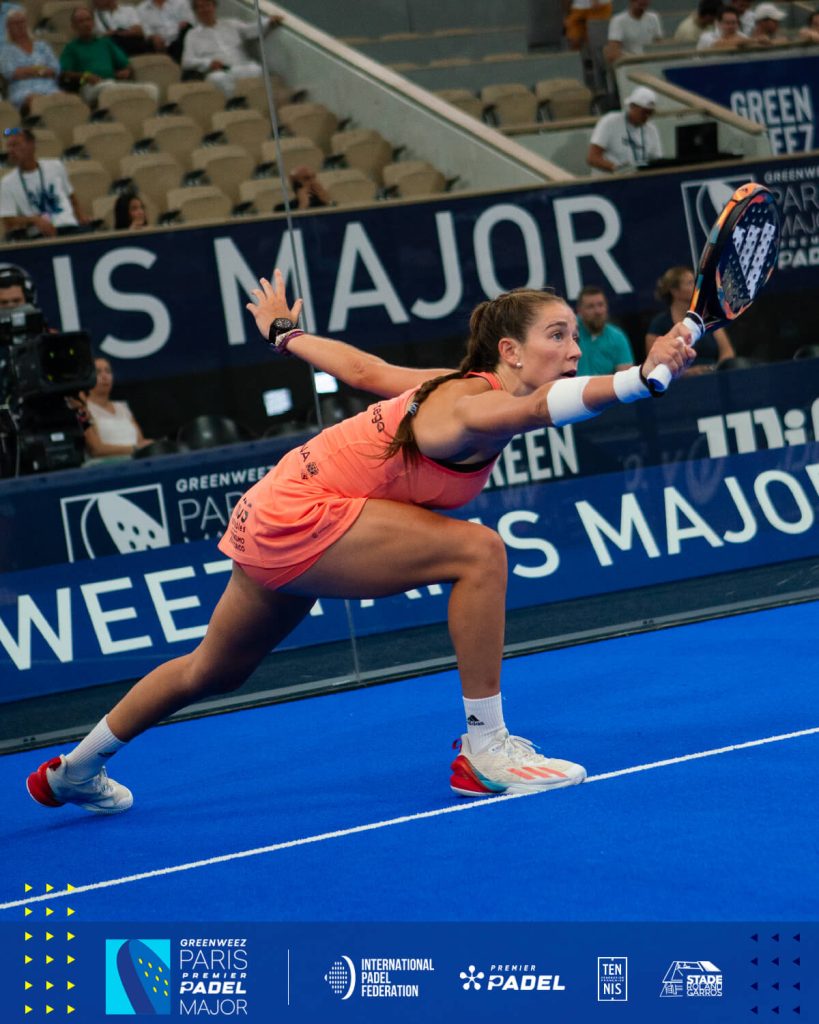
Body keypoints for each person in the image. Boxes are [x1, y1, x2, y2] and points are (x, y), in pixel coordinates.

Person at [25, 269, 695, 814]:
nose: (573, 349)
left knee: (213, 670)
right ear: (510, 352)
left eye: (574, 336)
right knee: (479, 552)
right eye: (557, 335)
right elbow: (533, 409)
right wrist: (636, 380)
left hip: (274, 506)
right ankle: (484, 749)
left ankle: (71, 772)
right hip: (305, 513)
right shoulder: (472, 405)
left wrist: (287, 335)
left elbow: (366, 369)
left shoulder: (450, 385)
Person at [181, 0, 282, 98]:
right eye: (200, 7)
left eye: (207, 5)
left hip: (242, 66)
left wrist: (268, 22)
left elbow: (251, 30)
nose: (205, 10)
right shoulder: (192, 35)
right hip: (220, 72)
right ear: (195, 11)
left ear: (214, 6)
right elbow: (186, 61)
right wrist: (208, 63)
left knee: (256, 69)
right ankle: (237, 103)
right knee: (217, 79)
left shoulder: (231, 24)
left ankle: (258, 99)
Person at [59, 6, 159, 104]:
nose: (86, 24)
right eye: (81, 21)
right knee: (109, 86)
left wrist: (126, 71)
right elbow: (64, 73)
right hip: (89, 87)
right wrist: (85, 76)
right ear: (73, 26)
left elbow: (126, 64)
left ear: (93, 23)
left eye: (88, 20)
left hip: (112, 82)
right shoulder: (71, 48)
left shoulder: (105, 42)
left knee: (151, 89)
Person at [0, 127, 85, 238]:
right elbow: (8, 219)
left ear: (31, 145)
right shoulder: (7, 183)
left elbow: (71, 197)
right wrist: (34, 220)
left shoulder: (55, 166)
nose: (11, 151)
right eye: (9, 146)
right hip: (39, 234)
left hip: (68, 227)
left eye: (16, 145)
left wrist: (81, 217)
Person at [645, 266, 734, 370]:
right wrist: (687, 373)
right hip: (679, 378)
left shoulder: (708, 317)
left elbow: (727, 352)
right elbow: (654, 363)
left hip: (714, 374)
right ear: (675, 291)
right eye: (690, 283)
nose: (696, 287)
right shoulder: (659, 324)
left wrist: (714, 369)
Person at [70, 355, 153, 459]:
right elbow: (96, 449)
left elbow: (141, 442)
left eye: (108, 371)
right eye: (98, 372)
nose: (105, 376)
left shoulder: (122, 407)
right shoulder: (81, 410)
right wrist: (135, 449)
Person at [587, 85, 661, 173]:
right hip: (611, 178)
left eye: (650, 113)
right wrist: (619, 170)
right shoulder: (610, 121)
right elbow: (593, 158)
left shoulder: (651, 130)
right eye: (644, 112)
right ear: (632, 106)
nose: (647, 116)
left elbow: (656, 161)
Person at [0, 10, 62, 112]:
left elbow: (55, 69)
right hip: (22, 91)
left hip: (50, 88)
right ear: (8, 27)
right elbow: (11, 73)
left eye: (22, 22)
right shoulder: (6, 51)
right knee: (37, 100)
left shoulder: (42, 46)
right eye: (15, 23)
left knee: (68, 100)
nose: (20, 26)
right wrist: (41, 70)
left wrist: (26, 70)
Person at [575, 285, 634, 374]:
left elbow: (625, 376)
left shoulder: (617, 337)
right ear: (579, 310)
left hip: (605, 383)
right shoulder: (569, 333)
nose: (597, 311)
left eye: (600, 305)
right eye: (590, 307)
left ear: (606, 307)